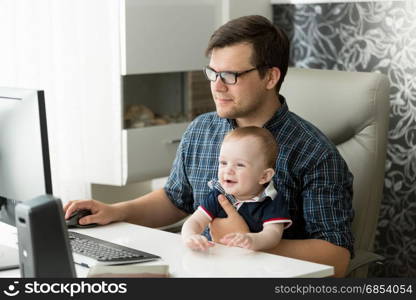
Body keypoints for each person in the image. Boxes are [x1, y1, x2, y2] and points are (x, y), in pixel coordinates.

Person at [64, 15, 354, 277]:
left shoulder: (315, 153)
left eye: (230, 76)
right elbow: (175, 199)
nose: (216, 86)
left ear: (270, 77)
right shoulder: (202, 129)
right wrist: (116, 211)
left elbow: (337, 259)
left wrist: (245, 240)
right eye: (213, 73)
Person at [182, 126, 292, 251]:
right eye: (223, 163)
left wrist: (252, 240)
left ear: (264, 176)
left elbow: (272, 235)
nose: (228, 170)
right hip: (219, 259)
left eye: (240, 165)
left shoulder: (271, 200)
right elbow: (195, 221)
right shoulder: (219, 194)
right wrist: (191, 236)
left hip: (257, 264)